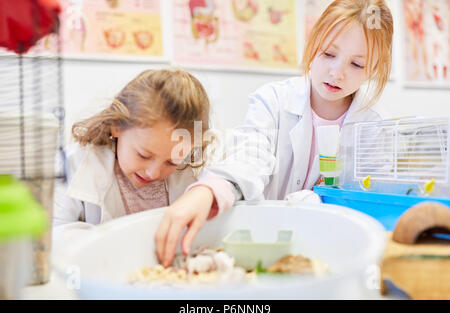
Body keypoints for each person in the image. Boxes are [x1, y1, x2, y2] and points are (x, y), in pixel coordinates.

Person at [155, 0, 394, 267]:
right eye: (328, 54)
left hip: (328, 252)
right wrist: (209, 190)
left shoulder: (375, 128)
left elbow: (363, 199)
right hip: (261, 246)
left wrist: (312, 200)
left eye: (357, 64)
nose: (337, 72)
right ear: (313, 43)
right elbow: (249, 155)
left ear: (373, 68)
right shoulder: (273, 101)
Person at [53, 69, 211, 249]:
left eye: (172, 162)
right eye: (144, 155)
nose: (154, 172)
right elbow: (56, 238)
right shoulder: (74, 165)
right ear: (116, 126)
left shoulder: (189, 176)